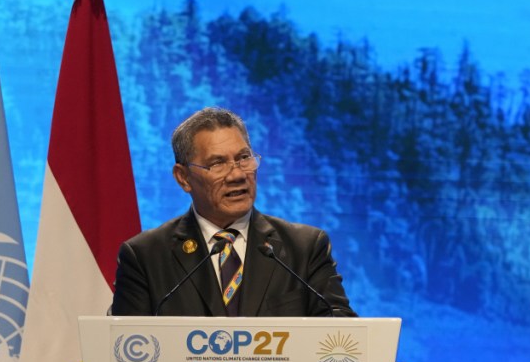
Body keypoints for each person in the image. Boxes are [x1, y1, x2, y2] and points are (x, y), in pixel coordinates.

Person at [111, 107, 356, 317]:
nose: (238, 175)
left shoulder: (304, 248)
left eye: (244, 158)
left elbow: (342, 338)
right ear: (183, 178)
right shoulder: (146, 257)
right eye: (217, 164)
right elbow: (126, 352)